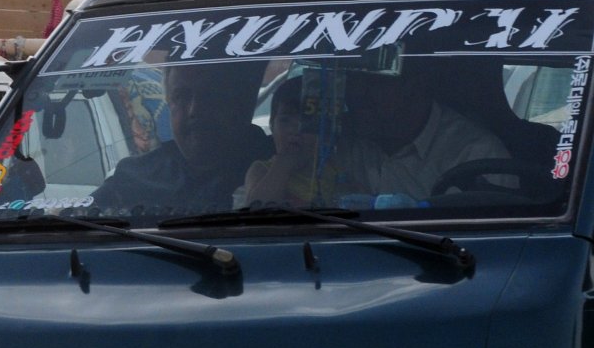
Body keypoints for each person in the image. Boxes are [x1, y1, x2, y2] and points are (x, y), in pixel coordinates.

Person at [93, 61, 273, 213]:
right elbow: (79, 224)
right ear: (169, 102)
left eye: (210, 95)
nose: (194, 110)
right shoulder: (133, 176)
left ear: (243, 102)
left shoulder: (277, 170)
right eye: (182, 96)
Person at [333, 69, 511, 202]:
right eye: (352, 80)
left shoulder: (476, 154)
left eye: (373, 82)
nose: (356, 93)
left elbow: (491, 234)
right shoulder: (338, 139)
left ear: (415, 86)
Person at [239, 75, 337, 208]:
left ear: (324, 130)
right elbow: (257, 210)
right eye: (285, 120)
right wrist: (284, 164)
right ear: (272, 126)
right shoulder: (261, 170)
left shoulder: (333, 168)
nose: (295, 130)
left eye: (307, 121)